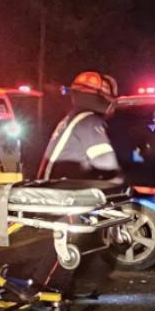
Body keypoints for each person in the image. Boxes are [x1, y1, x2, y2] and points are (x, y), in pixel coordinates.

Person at [35, 71, 123, 293]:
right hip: (63, 193)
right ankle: (46, 291)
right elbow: (106, 163)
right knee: (68, 240)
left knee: (75, 238)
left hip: (58, 188)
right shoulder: (90, 121)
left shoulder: (77, 117)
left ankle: (60, 284)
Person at [37, 71, 123, 182]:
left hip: (55, 187)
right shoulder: (90, 121)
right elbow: (107, 163)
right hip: (64, 190)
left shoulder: (75, 118)